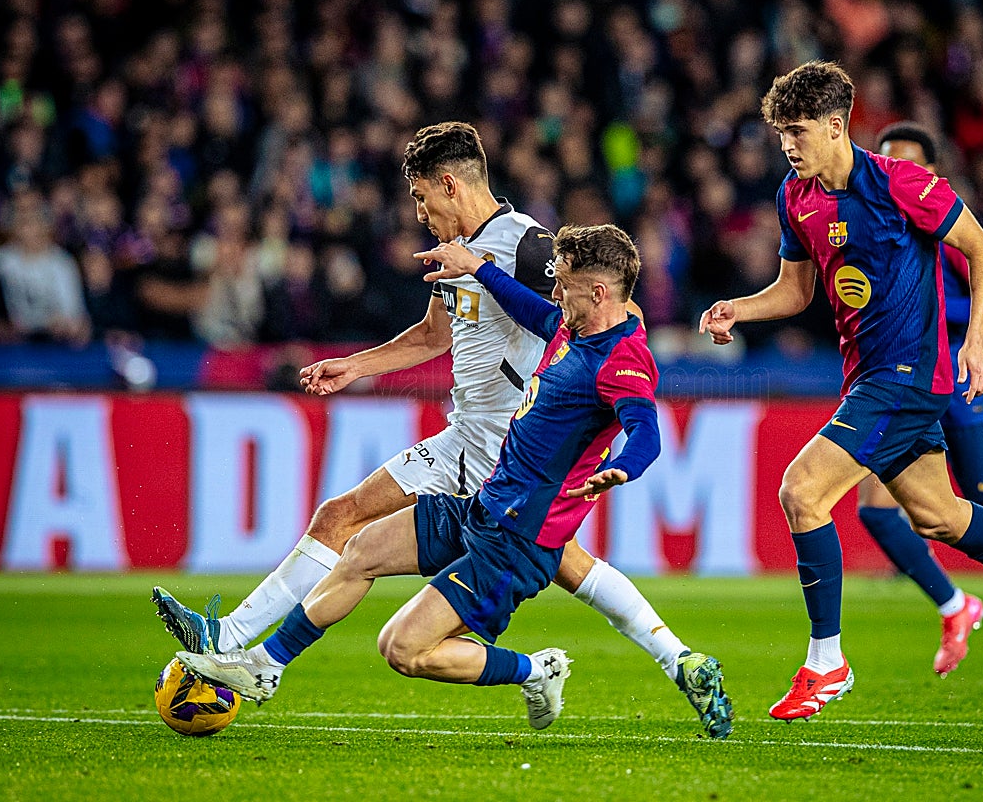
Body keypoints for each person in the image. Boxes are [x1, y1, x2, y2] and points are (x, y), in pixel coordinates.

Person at [155, 121, 733, 738]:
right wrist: (356, 365)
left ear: (449, 184)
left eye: (421, 196)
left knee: (398, 539)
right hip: (475, 440)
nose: (420, 212)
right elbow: (433, 336)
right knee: (371, 526)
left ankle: (240, 644)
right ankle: (669, 661)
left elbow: (616, 311)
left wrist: (602, 372)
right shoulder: (458, 255)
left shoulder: (527, 246)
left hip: (501, 449)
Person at [699, 61, 983, 722]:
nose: (788, 145)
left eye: (797, 131)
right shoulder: (794, 198)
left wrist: (975, 343)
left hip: (907, 379)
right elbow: (797, 292)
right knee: (939, 516)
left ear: (835, 124)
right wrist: (738, 308)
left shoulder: (902, 183)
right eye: (780, 134)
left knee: (802, 491)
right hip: (870, 378)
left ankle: (827, 660)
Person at [175, 224, 664, 731]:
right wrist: (478, 268)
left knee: (403, 650)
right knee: (360, 548)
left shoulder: (623, 361)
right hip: (483, 509)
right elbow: (524, 304)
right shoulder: (569, 329)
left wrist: (624, 467)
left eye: (562, 283)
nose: (554, 291)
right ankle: (265, 666)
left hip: (518, 541)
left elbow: (646, 430)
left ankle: (537, 669)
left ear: (598, 292)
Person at [855, 121, 983, 692]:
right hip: (905, 385)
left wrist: (934, 316)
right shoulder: (876, 234)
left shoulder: (946, 234)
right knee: (875, 510)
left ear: (933, 175)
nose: (897, 172)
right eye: (887, 161)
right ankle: (953, 603)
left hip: (966, 391)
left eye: (910, 164)